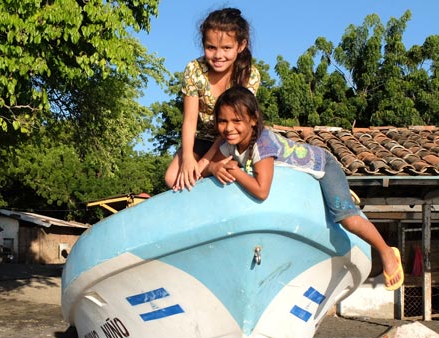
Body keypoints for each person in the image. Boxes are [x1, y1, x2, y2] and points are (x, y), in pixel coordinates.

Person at [204, 86, 404, 291]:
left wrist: (236, 172)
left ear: (253, 119)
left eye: (237, 121)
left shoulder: (262, 145)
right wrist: (213, 166)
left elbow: (261, 191)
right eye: (222, 121)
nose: (229, 128)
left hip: (324, 168)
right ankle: (333, 194)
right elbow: (204, 171)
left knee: (347, 219)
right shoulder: (231, 143)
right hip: (296, 181)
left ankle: (387, 252)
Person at [164, 7, 261, 191]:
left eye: (226, 48)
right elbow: (190, 120)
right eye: (211, 48)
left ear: (240, 46)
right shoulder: (194, 70)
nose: (218, 55)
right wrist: (187, 159)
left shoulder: (250, 76)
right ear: (203, 45)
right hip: (202, 137)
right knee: (173, 179)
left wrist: (205, 163)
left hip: (230, 138)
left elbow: (233, 126)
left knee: (204, 175)